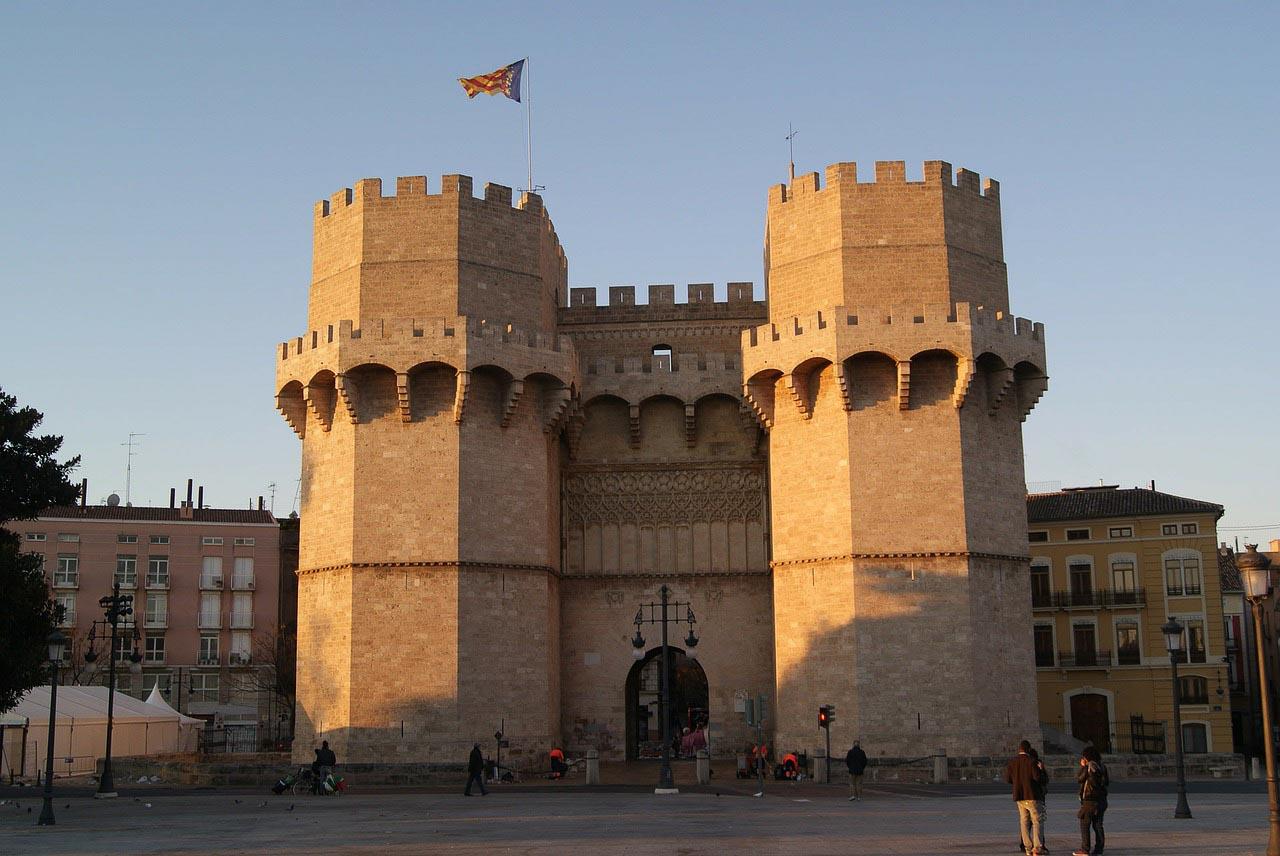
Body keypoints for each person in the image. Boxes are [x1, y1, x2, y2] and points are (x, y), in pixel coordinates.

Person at [1005, 740, 1046, 856]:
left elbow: (1008, 779)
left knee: (1024, 821)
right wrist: (1041, 770)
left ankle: (1027, 848)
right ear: (1028, 749)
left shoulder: (1012, 762)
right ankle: (1037, 848)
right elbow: (1037, 778)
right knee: (1037, 821)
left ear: (1019, 749)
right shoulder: (1031, 761)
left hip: (1019, 796)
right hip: (1032, 795)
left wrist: (1018, 782)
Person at [1074, 746, 1109, 856]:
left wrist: (1083, 767)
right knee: (1098, 825)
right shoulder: (1102, 766)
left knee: (1084, 824)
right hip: (1101, 799)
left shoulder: (1089, 767)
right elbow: (1106, 782)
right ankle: (1099, 849)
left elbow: (1080, 778)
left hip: (1089, 800)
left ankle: (1085, 849)